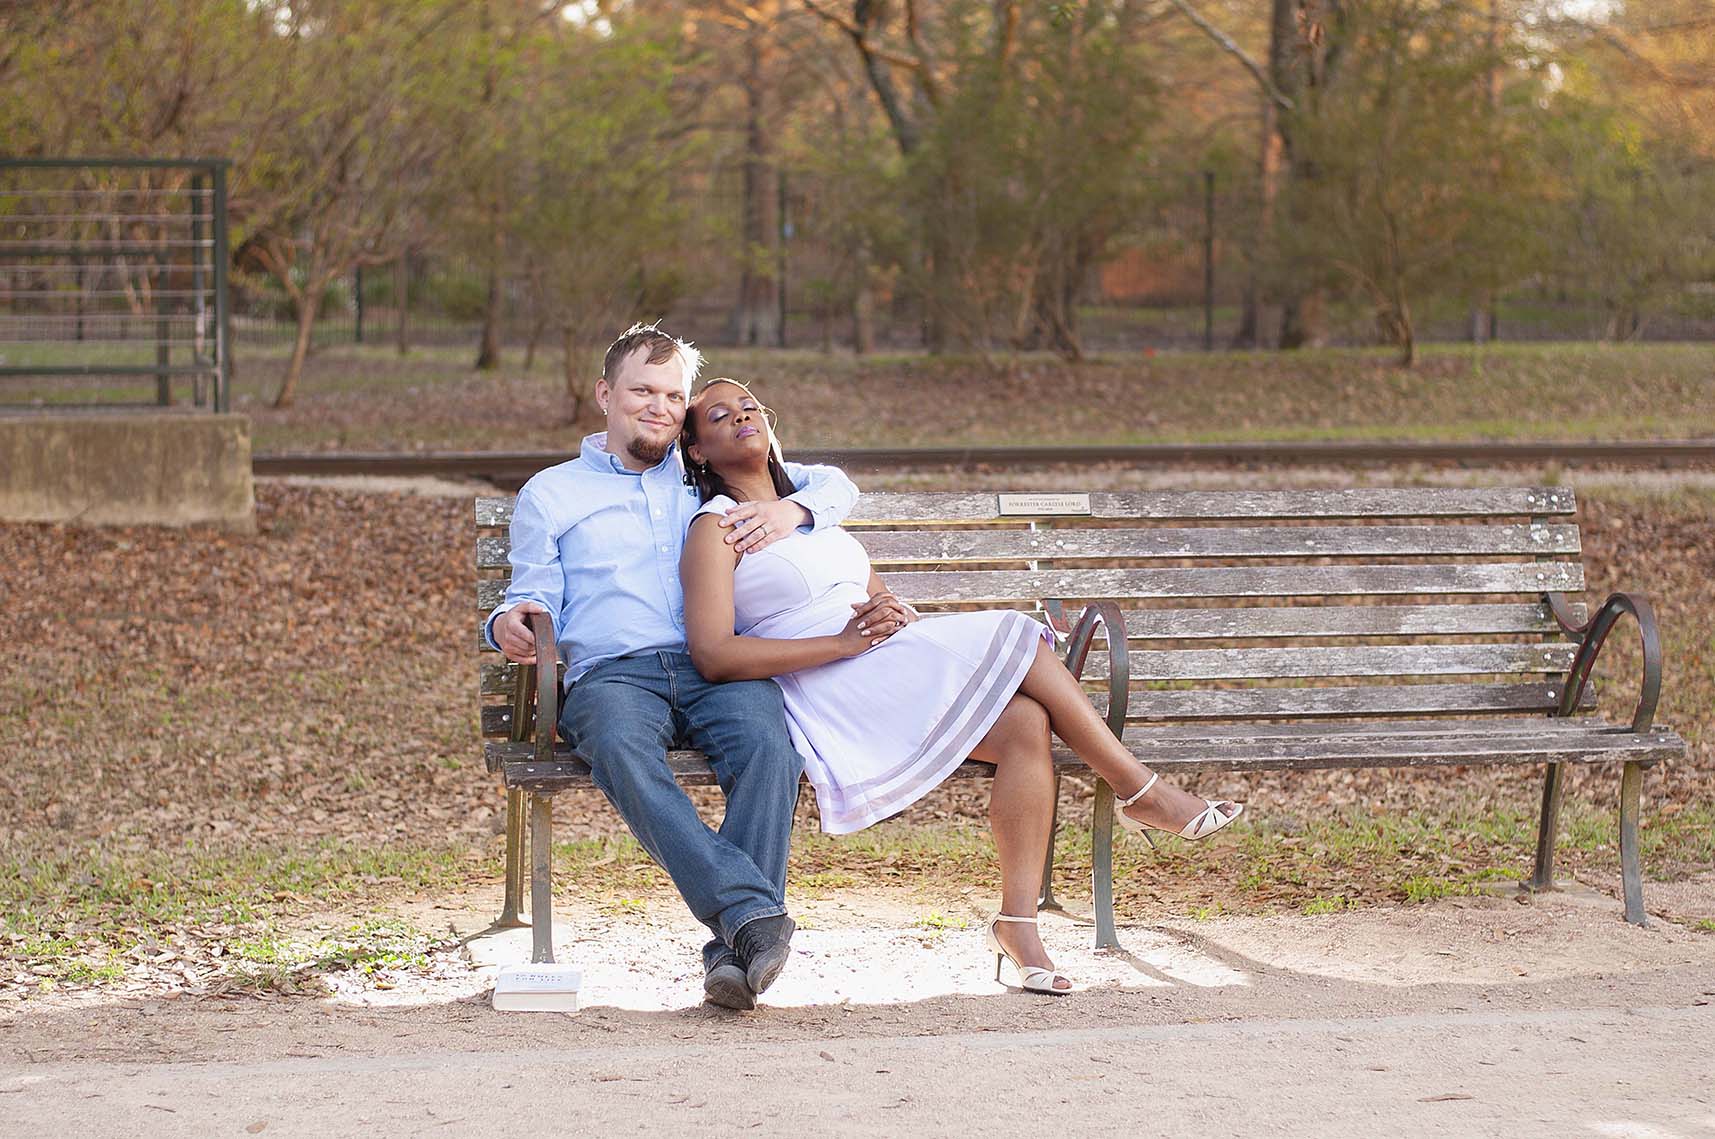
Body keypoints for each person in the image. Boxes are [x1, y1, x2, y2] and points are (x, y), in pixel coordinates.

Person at [678, 378, 1243, 995]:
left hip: (882, 659)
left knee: (1028, 724)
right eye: (718, 415)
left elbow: (872, 595)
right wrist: (843, 644)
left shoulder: (815, 510)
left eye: (749, 407)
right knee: (1018, 634)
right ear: (699, 449)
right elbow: (714, 654)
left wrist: (890, 613)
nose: (740, 417)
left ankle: (1018, 925)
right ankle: (1139, 790)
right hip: (828, 681)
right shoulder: (715, 528)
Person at [485, 324, 876, 1011]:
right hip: (613, 674)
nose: (658, 406)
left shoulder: (702, 472)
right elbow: (531, 591)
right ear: (606, 394)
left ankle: (735, 950)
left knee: (768, 749)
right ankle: (750, 917)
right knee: (618, 746)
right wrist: (509, 623)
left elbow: (837, 485)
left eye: (672, 395)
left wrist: (793, 509)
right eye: (642, 390)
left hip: (713, 665)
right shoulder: (552, 492)